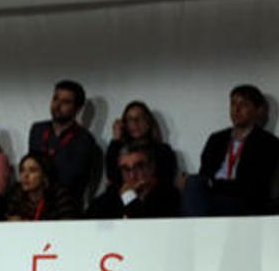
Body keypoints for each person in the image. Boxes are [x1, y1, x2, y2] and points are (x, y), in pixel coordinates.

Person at [182, 85, 279, 216]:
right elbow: (205, 174)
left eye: (243, 104)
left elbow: (254, 185)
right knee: (192, 183)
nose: (236, 109)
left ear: (258, 110)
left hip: (244, 201)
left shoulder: (267, 143)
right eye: (233, 104)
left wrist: (213, 184)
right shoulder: (216, 139)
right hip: (212, 197)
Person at [27, 80, 100, 211]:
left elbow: (72, 179)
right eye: (55, 99)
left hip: (65, 207)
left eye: (66, 102)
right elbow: (30, 166)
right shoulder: (37, 130)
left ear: (78, 108)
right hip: (33, 204)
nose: (57, 105)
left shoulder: (84, 139)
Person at [88, 143, 180, 219]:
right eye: (126, 169)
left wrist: (128, 197)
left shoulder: (169, 195)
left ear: (152, 167)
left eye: (138, 167)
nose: (132, 175)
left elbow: (147, 230)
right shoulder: (111, 195)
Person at [105, 101, 177, 186]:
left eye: (139, 118)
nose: (134, 123)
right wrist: (116, 139)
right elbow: (112, 177)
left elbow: (165, 181)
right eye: (130, 120)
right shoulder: (120, 149)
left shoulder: (163, 150)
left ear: (148, 122)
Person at [6, 153, 77, 221]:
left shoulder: (60, 195)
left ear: (44, 176)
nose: (25, 176)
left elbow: (68, 224)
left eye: (32, 170)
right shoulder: (16, 193)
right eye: (22, 170)